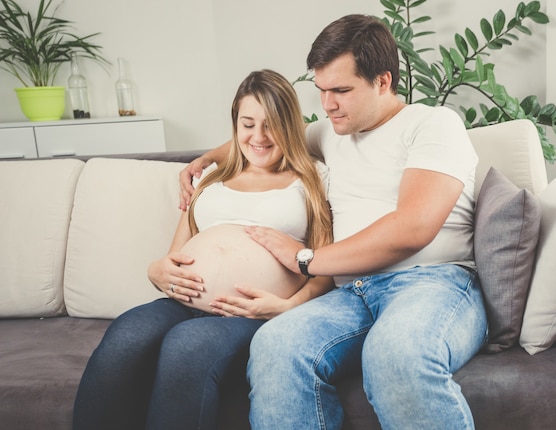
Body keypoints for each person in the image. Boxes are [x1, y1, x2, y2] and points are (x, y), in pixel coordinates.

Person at [180, 14, 488, 430]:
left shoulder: (432, 125)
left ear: (383, 81)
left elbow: (413, 228)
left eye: (341, 90)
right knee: (275, 344)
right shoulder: (331, 132)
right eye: (322, 90)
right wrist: (206, 160)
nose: (327, 105)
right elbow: (264, 136)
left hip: (433, 282)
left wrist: (308, 259)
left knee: (395, 353)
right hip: (350, 294)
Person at [72, 69, 334, 430]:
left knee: (187, 347)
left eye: (270, 124)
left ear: (289, 125)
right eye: (247, 124)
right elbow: (174, 255)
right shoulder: (211, 177)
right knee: (125, 336)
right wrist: (156, 270)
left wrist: (285, 307)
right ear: (235, 125)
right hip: (183, 302)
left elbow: (325, 266)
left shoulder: (312, 178)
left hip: (251, 313)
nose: (258, 137)